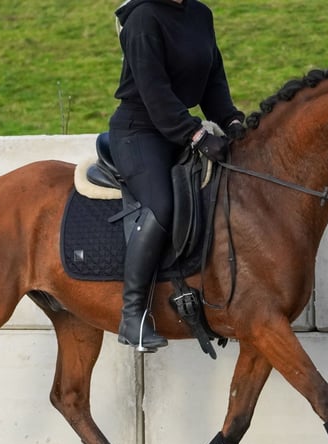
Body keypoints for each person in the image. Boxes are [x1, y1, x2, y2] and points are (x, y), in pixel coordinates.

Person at [109, 0, 245, 351]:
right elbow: (154, 92)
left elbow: (213, 78)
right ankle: (132, 315)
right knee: (162, 206)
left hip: (176, 128)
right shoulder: (142, 19)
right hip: (139, 130)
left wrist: (230, 120)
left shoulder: (201, 14)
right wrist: (196, 135)